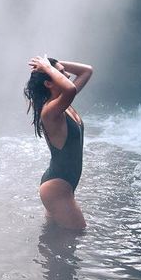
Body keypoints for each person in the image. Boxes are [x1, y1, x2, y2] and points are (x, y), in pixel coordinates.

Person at [24, 55, 94, 231]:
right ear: (49, 83)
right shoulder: (49, 111)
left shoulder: (63, 103)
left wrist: (49, 63)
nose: (67, 76)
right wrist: (48, 68)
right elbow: (69, 89)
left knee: (53, 238)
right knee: (77, 234)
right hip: (57, 189)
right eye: (62, 73)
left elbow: (87, 71)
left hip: (61, 186)